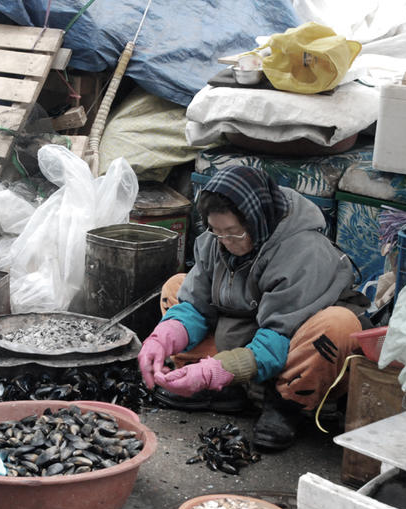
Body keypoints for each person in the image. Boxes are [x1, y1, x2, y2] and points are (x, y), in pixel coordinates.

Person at [137, 165, 370, 450]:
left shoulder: (305, 251)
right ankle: (224, 391)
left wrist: (217, 370)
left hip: (289, 346)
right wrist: (162, 339)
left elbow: (277, 337)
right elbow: (196, 303)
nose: (225, 242)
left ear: (257, 220)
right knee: (176, 286)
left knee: (338, 325)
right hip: (245, 331)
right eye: (216, 231)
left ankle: (285, 406)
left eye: (233, 233)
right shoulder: (218, 240)